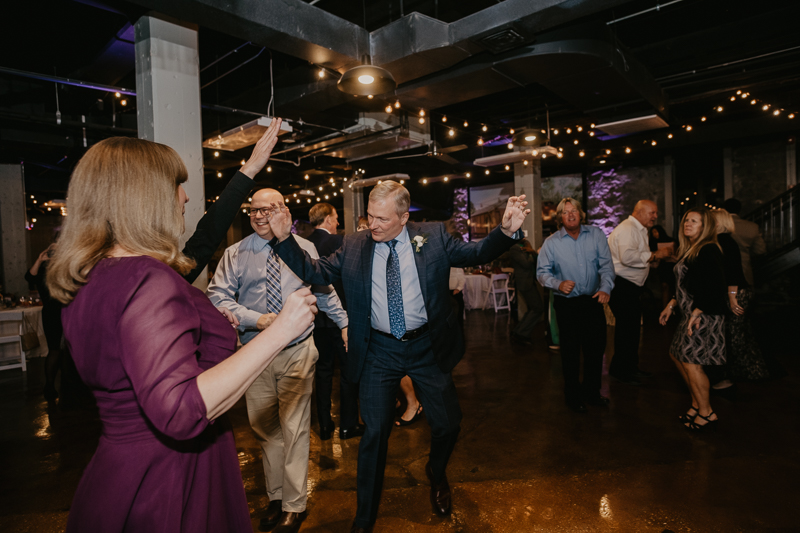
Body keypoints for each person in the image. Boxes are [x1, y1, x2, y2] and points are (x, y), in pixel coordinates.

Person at [47, 126, 319, 532]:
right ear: (144, 196)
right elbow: (179, 410)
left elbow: (204, 237)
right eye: (177, 185)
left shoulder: (89, 276)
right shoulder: (146, 278)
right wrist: (281, 329)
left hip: (119, 473)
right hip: (172, 477)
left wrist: (249, 169)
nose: (186, 196)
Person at [265, 181, 529, 533]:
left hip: (426, 349)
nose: (372, 225)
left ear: (404, 217)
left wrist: (506, 231)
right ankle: (364, 520)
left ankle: (436, 472)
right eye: (370, 216)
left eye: (382, 219)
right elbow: (317, 272)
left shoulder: (433, 236)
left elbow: (475, 254)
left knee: (448, 424)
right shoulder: (355, 244)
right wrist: (284, 239)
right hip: (379, 351)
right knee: (374, 434)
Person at [207, 189, 348, 533]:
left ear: (283, 211)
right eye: (253, 210)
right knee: (265, 429)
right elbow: (217, 296)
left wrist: (344, 323)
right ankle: (275, 497)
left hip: (298, 349)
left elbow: (322, 288)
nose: (258, 216)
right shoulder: (235, 253)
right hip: (254, 354)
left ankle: (294, 505)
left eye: (267, 209)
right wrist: (259, 320)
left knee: (295, 428)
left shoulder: (305, 248)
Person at [536, 198, 615, 413]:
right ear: (559, 218)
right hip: (567, 304)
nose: (570, 215)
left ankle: (592, 392)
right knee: (570, 352)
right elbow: (542, 273)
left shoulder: (596, 235)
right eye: (565, 212)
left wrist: (606, 288)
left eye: (574, 211)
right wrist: (558, 283)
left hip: (593, 301)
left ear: (581, 214)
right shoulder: (551, 242)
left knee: (595, 350)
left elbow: (607, 267)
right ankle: (572, 395)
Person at [659, 208, 727, 431]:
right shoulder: (692, 250)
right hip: (690, 314)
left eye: (694, 221)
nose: (687, 223)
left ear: (704, 226)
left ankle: (707, 413)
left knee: (691, 362)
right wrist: (671, 304)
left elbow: (715, 286)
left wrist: (698, 311)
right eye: (686, 220)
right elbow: (686, 286)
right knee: (676, 355)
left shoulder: (708, 250)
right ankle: (697, 404)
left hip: (703, 316)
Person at [306, 202, 364, 441]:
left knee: (323, 372)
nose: (338, 222)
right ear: (328, 219)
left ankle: (325, 425)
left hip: (317, 319)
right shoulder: (341, 243)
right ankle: (348, 424)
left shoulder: (304, 244)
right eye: (336, 217)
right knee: (349, 371)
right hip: (341, 318)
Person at [607, 200, 673, 385]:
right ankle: (623, 370)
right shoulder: (628, 228)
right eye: (652, 212)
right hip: (622, 285)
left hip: (628, 285)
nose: (655, 216)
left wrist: (651, 261)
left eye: (655, 213)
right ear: (639, 212)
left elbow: (636, 256)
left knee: (630, 330)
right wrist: (655, 255)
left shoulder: (637, 229)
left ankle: (625, 368)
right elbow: (627, 257)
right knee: (627, 330)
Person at [707, 209, 769, 390]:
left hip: (737, 292)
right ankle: (751, 371)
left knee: (735, 335)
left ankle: (739, 374)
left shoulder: (724, 241)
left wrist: (732, 299)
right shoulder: (724, 240)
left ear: (717, 223)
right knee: (741, 333)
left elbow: (732, 273)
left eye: (709, 221)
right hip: (739, 291)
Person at [25, 241, 63, 403]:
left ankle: (70, 386)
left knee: (70, 352)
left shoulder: (64, 269)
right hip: (52, 314)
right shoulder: (42, 271)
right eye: (51, 251)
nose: (54, 253)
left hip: (69, 313)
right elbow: (29, 277)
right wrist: (40, 259)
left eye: (57, 250)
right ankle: (49, 385)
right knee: (54, 350)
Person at [721, 198, 766, 286]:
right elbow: (760, 250)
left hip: (722, 272)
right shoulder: (752, 227)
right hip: (743, 271)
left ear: (724, 210)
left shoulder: (717, 226)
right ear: (739, 210)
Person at [506, 239, 544, 345]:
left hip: (530, 281)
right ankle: (521, 334)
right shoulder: (514, 248)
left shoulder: (524, 246)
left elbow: (535, 261)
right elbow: (526, 264)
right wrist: (532, 252)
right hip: (524, 282)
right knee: (538, 308)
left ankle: (518, 332)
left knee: (533, 308)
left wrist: (531, 251)